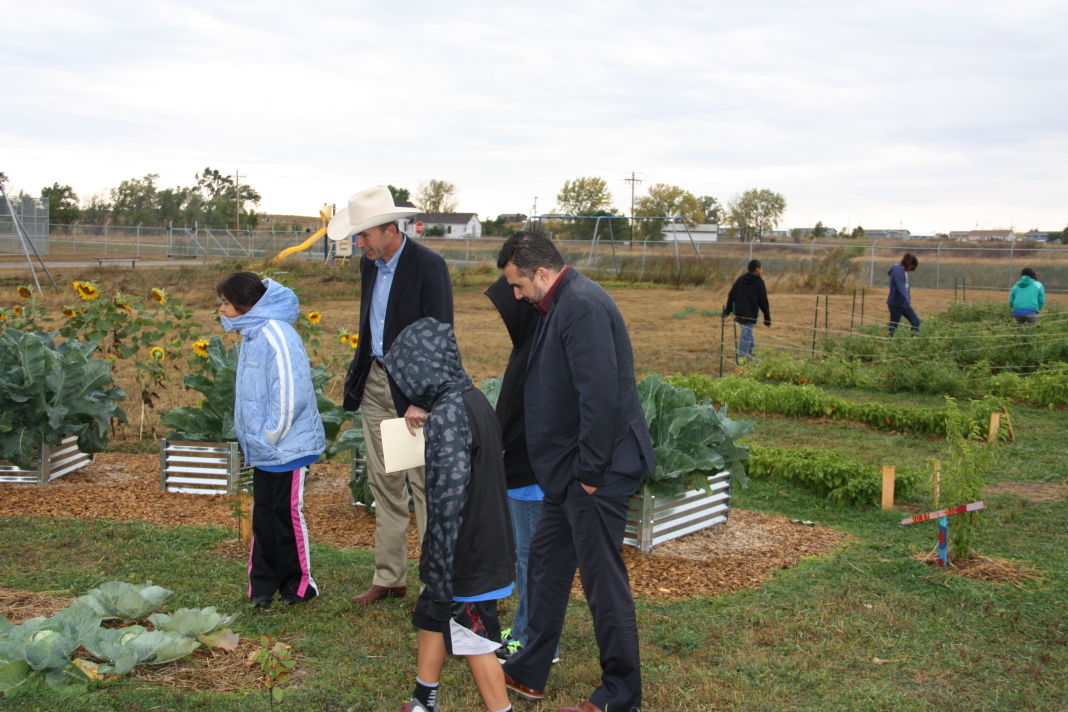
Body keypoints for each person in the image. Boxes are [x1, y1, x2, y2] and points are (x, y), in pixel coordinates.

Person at [496, 233, 655, 712]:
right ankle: (529, 671)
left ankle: (620, 693)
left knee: (603, 583)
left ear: (542, 273)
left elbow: (599, 394)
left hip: (595, 472)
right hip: (567, 474)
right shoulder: (561, 301)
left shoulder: (581, 305)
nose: (517, 295)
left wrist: (589, 472)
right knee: (545, 567)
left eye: (518, 285)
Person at [328, 186, 454, 605]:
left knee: (422, 486)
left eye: (363, 235)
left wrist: (424, 397)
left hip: (414, 394)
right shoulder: (370, 266)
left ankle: (434, 584)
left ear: (388, 229)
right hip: (376, 386)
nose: (357, 243)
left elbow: (439, 336)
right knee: (384, 483)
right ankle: (389, 576)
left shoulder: (428, 266)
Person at [384, 317, 516, 712]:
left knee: (474, 639)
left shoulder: (446, 417)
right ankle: (423, 700)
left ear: (422, 369)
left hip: (467, 553)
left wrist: (440, 569)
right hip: (489, 538)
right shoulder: (470, 399)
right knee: (431, 616)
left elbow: (447, 500)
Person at [217, 272, 326, 609]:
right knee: (264, 515)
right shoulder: (254, 335)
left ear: (245, 306)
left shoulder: (276, 334)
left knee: (286, 514)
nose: (221, 310)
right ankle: (263, 585)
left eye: (225, 303)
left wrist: (270, 435)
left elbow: (290, 393)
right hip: (265, 449)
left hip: (284, 447)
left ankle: (299, 584)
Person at [484, 270, 557, 664]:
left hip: (530, 477)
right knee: (529, 559)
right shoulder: (528, 344)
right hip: (518, 472)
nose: (503, 314)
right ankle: (530, 628)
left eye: (511, 301)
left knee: (533, 561)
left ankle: (535, 641)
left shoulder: (538, 352)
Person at [722, 259, 771, 363]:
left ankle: (752, 358)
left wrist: (728, 310)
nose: (762, 270)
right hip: (750, 313)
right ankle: (742, 359)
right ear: (757, 269)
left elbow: (731, 294)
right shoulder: (759, 281)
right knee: (746, 334)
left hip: (739, 312)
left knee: (747, 333)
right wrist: (767, 318)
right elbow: (763, 301)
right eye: (761, 268)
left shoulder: (740, 279)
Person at [887, 253, 920, 336]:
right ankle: (887, 343)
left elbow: (903, 286)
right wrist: (907, 298)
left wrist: (907, 300)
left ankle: (912, 342)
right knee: (893, 327)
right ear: (909, 264)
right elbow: (900, 287)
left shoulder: (901, 270)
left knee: (916, 322)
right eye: (913, 266)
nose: (912, 269)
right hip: (896, 303)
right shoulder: (898, 271)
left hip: (903, 303)